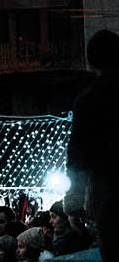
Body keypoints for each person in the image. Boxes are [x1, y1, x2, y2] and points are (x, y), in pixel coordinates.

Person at [67, 28, 119, 262]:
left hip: (109, 193)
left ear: (92, 60)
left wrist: (75, 199)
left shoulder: (90, 99)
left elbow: (78, 154)